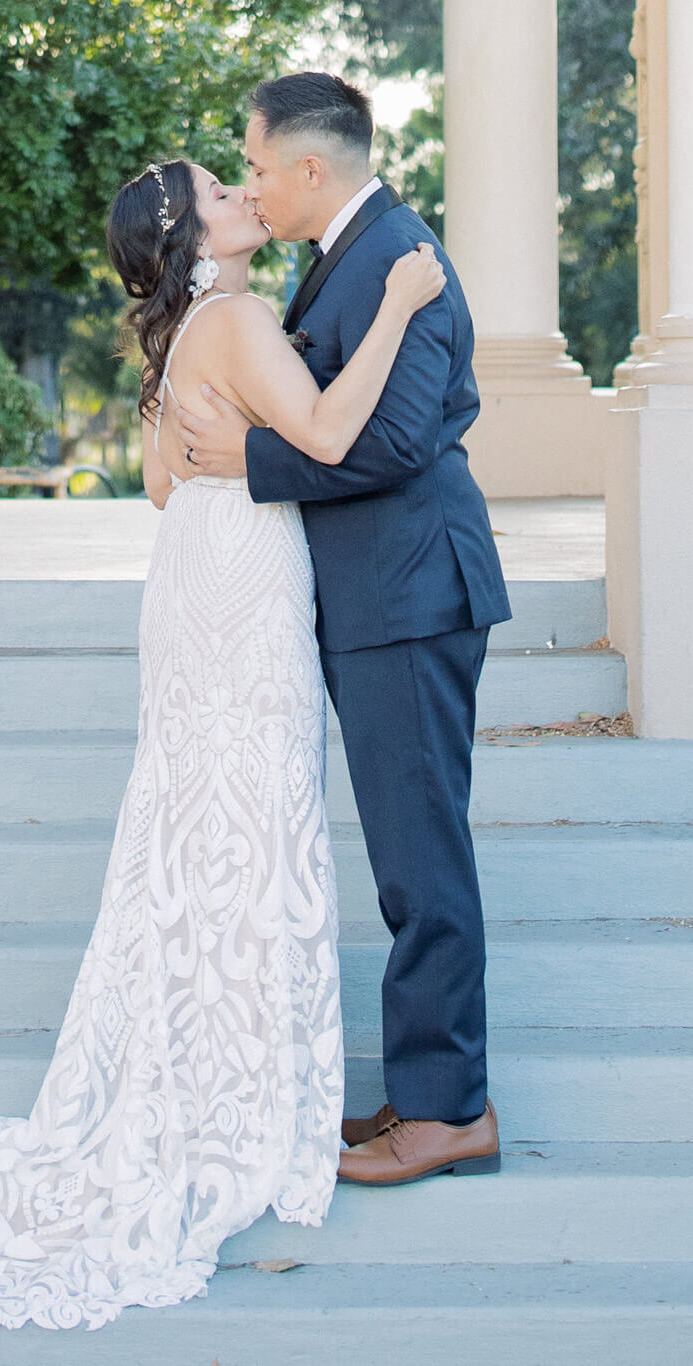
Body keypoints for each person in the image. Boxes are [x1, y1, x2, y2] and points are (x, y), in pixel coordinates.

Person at [0, 141, 447, 1329]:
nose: (243, 196)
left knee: (196, 820)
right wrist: (397, 305)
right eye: (222, 194)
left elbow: (170, 487)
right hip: (243, 591)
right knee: (244, 819)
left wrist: (230, 453)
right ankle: (235, 1101)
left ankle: (208, 1077)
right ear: (191, 237)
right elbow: (328, 436)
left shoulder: (184, 333)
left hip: (192, 581)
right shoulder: (231, 322)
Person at [174, 71, 513, 1188]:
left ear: (310, 169)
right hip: (378, 592)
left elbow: (398, 440)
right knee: (410, 854)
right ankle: (422, 1090)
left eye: (259, 169)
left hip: (410, 593)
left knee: (422, 859)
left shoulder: (393, 258)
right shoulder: (353, 257)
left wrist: (249, 463)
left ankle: (448, 1111)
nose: (253, 188)